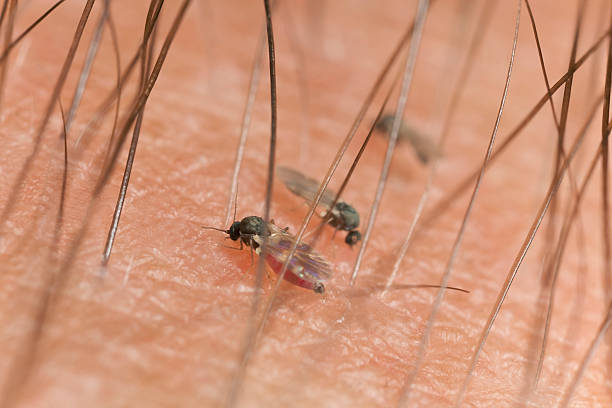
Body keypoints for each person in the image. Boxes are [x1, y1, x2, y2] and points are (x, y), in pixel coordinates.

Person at [0, 0, 609, 406]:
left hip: (294, 237)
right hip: (295, 236)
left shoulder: (286, 236)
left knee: (292, 245)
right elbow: (299, 228)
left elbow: (294, 233)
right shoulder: (292, 231)